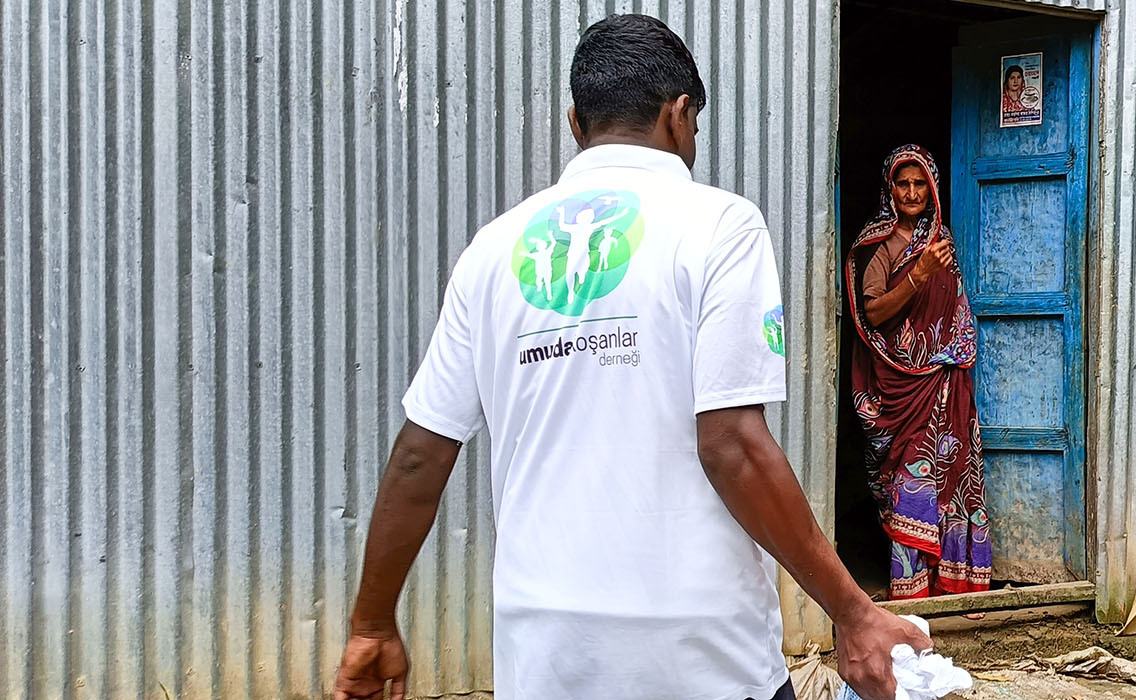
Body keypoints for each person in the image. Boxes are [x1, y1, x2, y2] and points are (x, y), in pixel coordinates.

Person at [332, 14, 928, 700]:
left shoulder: (492, 251)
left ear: (574, 121)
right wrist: (852, 612)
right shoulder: (720, 226)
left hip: (546, 652)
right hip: (699, 651)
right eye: (696, 129)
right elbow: (731, 444)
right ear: (679, 116)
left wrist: (372, 623)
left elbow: (418, 455)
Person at [847, 145, 992, 600]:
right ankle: (909, 589)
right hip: (899, 386)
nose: (911, 193)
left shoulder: (941, 239)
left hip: (945, 384)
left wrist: (952, 352)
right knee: (909, 480)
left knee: (948, 480)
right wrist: (920, 272)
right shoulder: (879, 245)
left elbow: (952, 309)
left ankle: (950, 580)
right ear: (889, 189)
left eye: (919, 185)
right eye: (902, 183)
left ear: (931, 192)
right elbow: (872, 314)